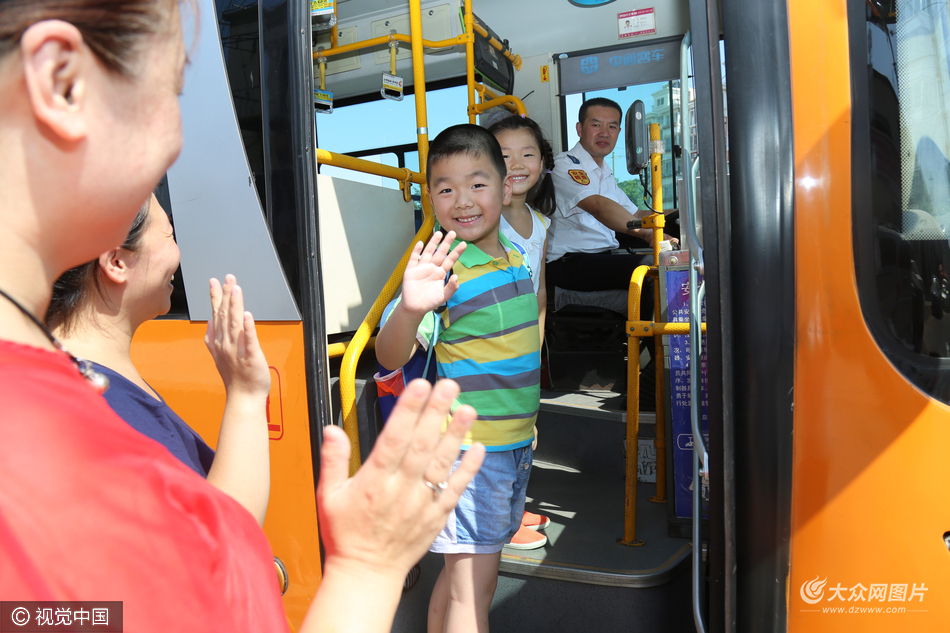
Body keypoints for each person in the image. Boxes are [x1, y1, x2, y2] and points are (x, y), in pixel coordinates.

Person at [0, 2, 483, 632]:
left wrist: (247, 395)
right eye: (173, 89)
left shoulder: (48, 406)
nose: (178, 141)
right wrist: (369, 567)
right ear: (61, 81)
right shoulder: (68, 456)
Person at [374, 124, 541, 633]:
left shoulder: (514, 257)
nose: (463, 200)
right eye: (446, 188)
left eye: (477, 183)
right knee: (475, 593)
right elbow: (389, 355)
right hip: (470, 456)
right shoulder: (443, 271)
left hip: (511, 444)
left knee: (457, 581)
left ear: (505, 188)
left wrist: (527, 425)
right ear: (431, 198)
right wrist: (410, 309)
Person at [46, 194, 272, 524]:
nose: (178, 252)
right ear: (116, 262)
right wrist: (246, 394)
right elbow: (221, 538)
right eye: (169, 233)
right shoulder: (105, 404)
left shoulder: (56, 370)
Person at [488, 115, 556, 549]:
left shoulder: (541, 222)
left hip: (524, 345)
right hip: (492, 346)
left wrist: (536, 345)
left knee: (525, 429)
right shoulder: (486, 219)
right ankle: (500, 520)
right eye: (503, 155)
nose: (516, 164)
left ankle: (515, 505)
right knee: (500, 433)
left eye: (527, 154)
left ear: (543, 163)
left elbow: (540, 290)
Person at [545, 97, 677, 318]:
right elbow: (598, 206)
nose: (604, 133)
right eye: (596, 125)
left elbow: (636, 214)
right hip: (569, 262)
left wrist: (683, 215)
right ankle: (653, 339)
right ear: (579, 129)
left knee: (662, 265)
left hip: (599, 258)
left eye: (612, 127)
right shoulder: (564, 164)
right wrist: (647, 234)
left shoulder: (604, 172)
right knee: (651, 269)